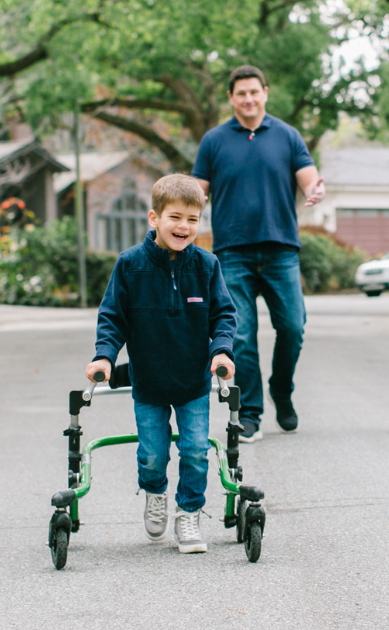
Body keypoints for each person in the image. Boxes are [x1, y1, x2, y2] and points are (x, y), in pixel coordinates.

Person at [85, 174, 237, 554]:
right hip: (149, 383)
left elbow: (224, 315)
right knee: (153, 454)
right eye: (175, 217)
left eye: (192, 219)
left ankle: (189, 513)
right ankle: (155, 493)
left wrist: (221, 350)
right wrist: (104, 356)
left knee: (196, 451)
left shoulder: (206, 266)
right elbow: (112, 317)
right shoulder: (130, 266)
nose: (184, 227)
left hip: (193, 382)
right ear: (154, 218)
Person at [191, 65, 324, 443]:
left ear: (265, 92)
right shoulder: (214, 141)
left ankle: (281, 391)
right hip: (232, 253)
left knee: (293, 328)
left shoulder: (287, 135)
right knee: (242, 336)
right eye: (240, 93)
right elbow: (197, 193)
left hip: (281, 249)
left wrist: (315, 191)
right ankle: (249, 413)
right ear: (231, 98)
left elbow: (309, 180)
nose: (248, 99)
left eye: (254, 91)